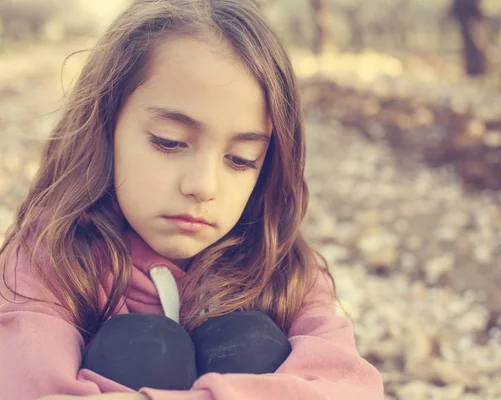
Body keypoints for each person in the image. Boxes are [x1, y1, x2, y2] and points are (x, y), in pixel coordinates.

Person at [0, 0, 384, 399]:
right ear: (105, 127)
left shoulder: (281, 266)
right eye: (169, 142)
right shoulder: (51, 256)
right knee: (142, 347)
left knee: (248, 338)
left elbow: (350, 387)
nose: (203, 186)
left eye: (240, 160)